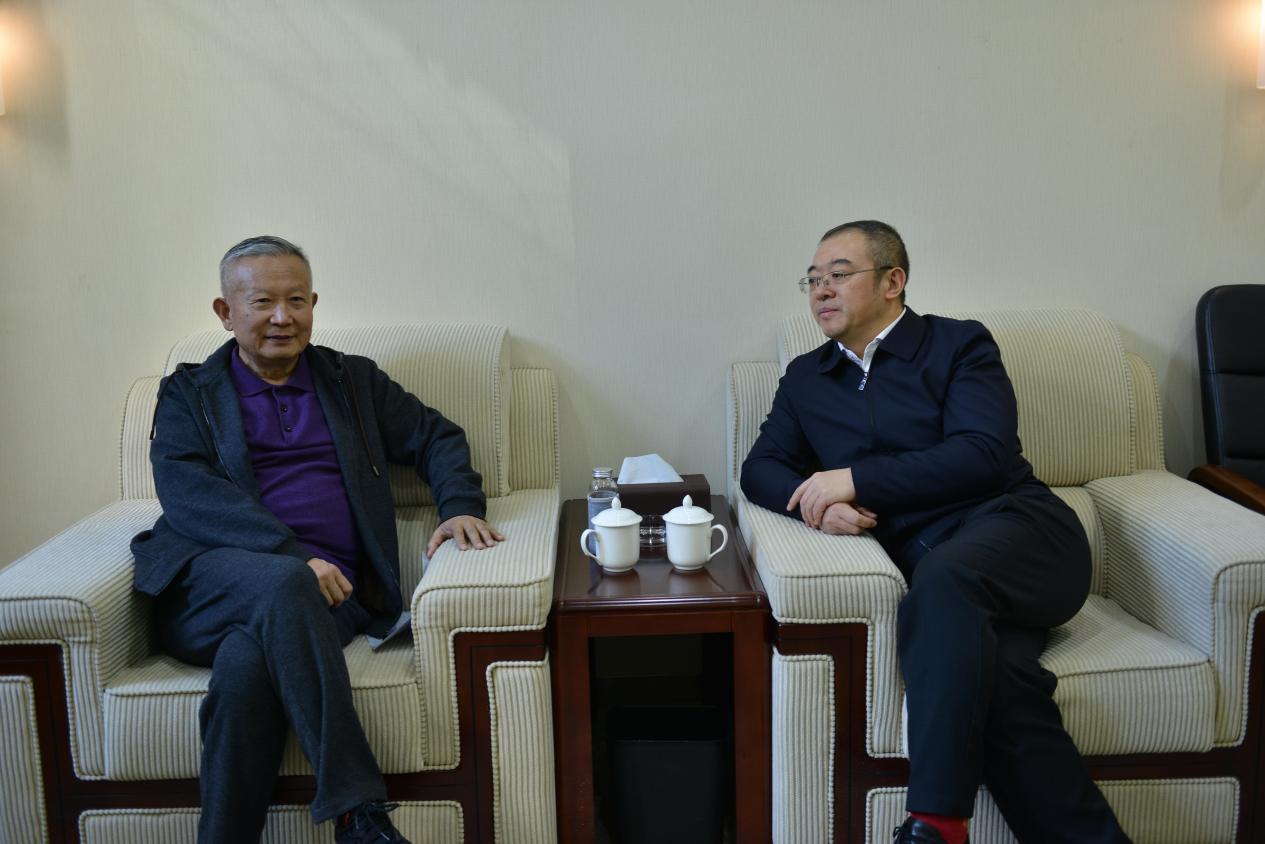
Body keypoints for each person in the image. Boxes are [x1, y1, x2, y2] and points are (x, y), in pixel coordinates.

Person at [741, 221, 1130, 844]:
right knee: (1002, 690)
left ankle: (936, 823)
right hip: (947, 580)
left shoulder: (957, 345)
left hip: (1024, 535)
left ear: (892, 281)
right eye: (811, 281)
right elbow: (759, 468)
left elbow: (983, 453)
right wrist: (812, 504)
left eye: (838, 275)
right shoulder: (807, 377)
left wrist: (853, 479)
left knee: (945, 578)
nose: (821, 291)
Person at [130, 235, 504, 844]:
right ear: (225, 312)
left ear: (313, 304)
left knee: (246, 669)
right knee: (285, 581)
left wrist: (459, 506)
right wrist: (296, 556)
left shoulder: (351, 381)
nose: (283, 317)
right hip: (210, 589)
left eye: (297, 300)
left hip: (334, 598)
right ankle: (358, 813)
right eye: (262, 302)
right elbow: (188, 493)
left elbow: (437, 436)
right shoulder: (188, 394)